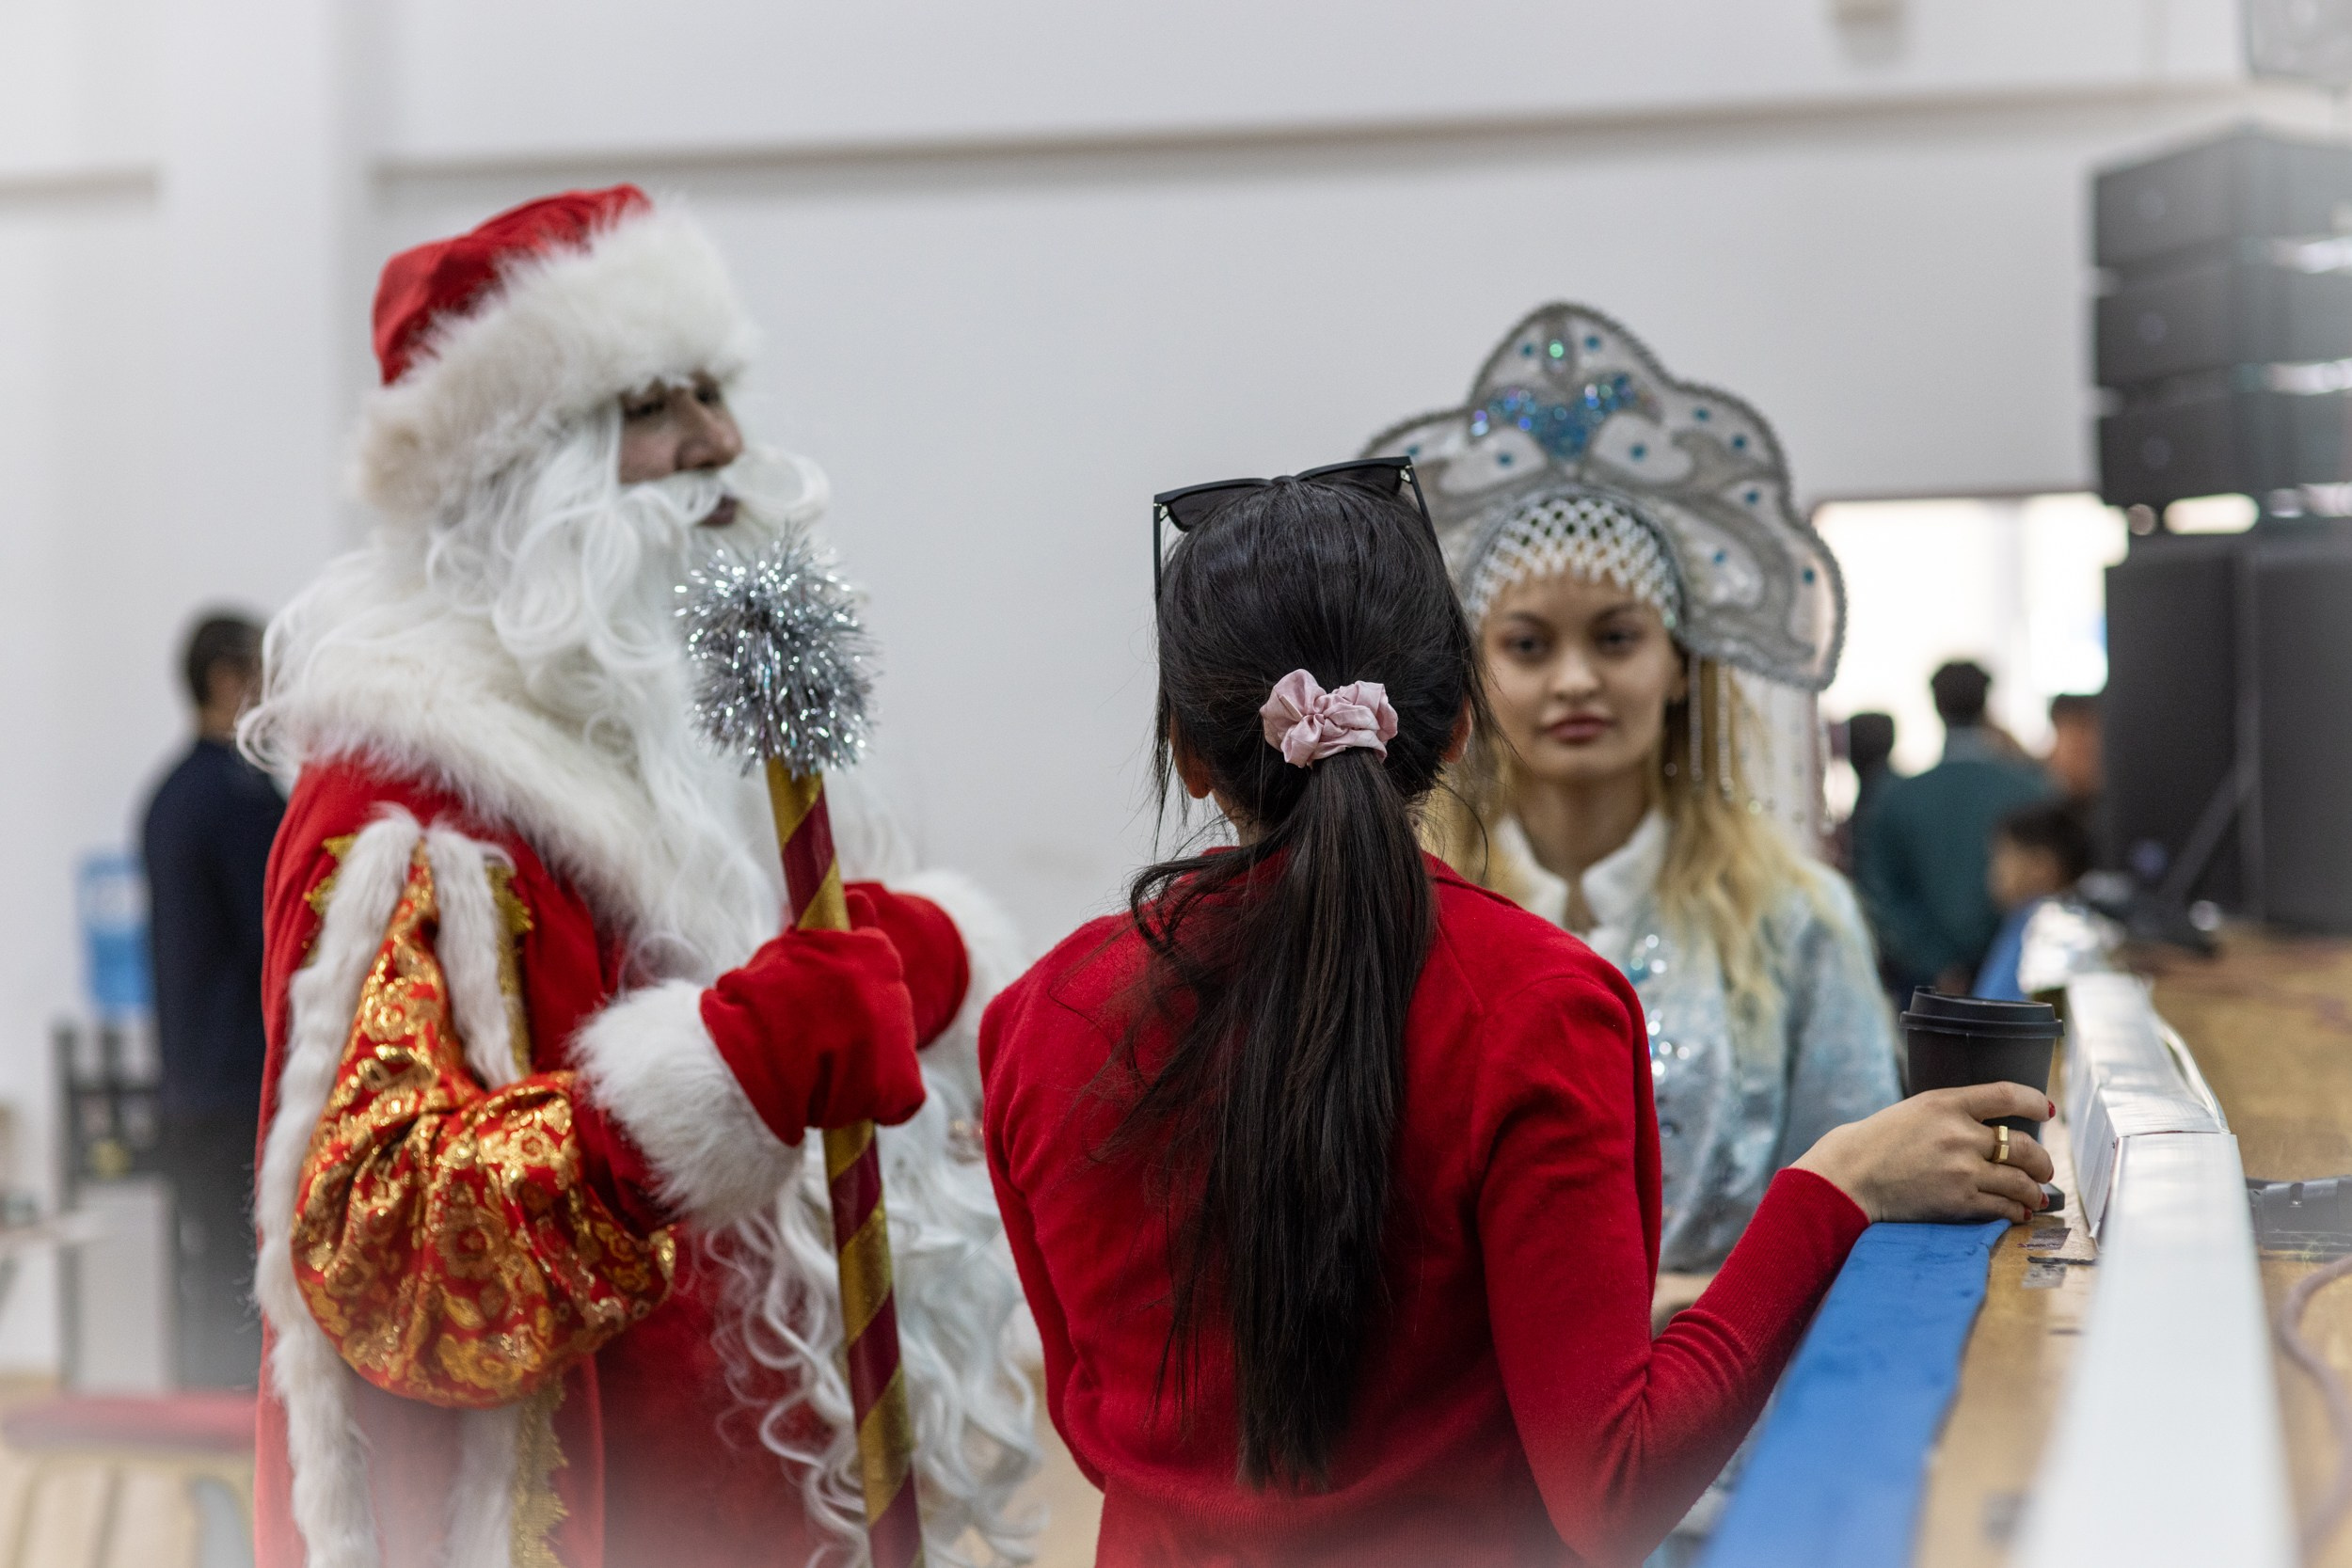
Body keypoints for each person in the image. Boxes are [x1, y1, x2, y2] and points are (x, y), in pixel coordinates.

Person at [980, 461, 2055, 1568]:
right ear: (1454, 723)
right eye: (1531, 643)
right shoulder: (1541, 1003)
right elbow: (1612, 1484)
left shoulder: (1034, 1018)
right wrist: (1833, 1189)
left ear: (1188, 751)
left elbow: (1093, 1420)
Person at [241, 187, 1033, 1568]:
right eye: (655, 405)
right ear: (519, 479)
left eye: (717, 387)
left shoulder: (699, 731)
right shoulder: (409, 809)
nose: (721, 441)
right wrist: (714, 1078)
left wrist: (911, 962)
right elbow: (381, 1253)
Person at [1373, 304, 1899, 1278]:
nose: (1574, 679)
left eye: (1615, 637)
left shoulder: (1793, 919)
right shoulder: (1407, 920)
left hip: (1740, 1408)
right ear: (1473, 675)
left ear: (1679, 666)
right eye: (1528, 645)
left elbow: (1860, 1192)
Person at [140, 610, 284, 1388]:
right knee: (248, 1286)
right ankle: (237, 1457)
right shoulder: (238, 799)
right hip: (241, 1087)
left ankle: (208, 1463)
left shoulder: (168, 794)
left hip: (190, 1083)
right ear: (229, 679)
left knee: (213, 1276)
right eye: (266, 674)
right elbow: (284, 936)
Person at [1858, 660, 2053, 995]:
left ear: (1936, 705)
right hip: (2019, 974)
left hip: (1926, 990)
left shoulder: (1898, 797)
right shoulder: (2033, 789)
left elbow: (1880, 894)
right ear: (1987, 702)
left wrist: (1939, 962)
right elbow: (2052, 882)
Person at [1974, 799, 2095, 1002]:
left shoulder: (2054, 934)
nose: (1995, 871)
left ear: (2041, 867)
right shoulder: (2024, 921)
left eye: (2004, 858)